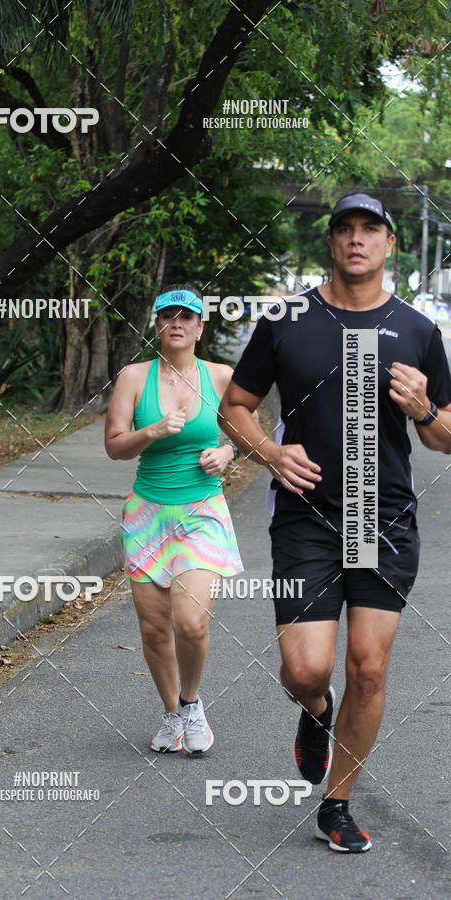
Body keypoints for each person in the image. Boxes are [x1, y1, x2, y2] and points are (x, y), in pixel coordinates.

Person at [219, 192, 451, 851]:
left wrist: (427, 409)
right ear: (331, 243)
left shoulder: (416, 329)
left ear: (389, 244)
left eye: (369, 229)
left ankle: (337, 803)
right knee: (306, 670)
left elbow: (446, 438)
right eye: (344, 229)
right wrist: (268, 452)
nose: (356, 239)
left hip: (384, 518)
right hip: (307, 515)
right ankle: (316, 713)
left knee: (369, 667)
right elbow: (234, 407)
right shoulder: (287, 319)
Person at [105, 284, 244, 755]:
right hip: (147, 513)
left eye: (188, 317)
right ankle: (170, 714)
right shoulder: (133, 378)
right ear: (157, 325)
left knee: (191, 623)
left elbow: (247, 434)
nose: (177, 323)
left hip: (202, 512)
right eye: (168, 316)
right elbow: (114, 446)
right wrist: (154, 430)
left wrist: (226, 452)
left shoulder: (222, 377)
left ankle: (191, 704)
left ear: (201, 327)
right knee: (153, 627)